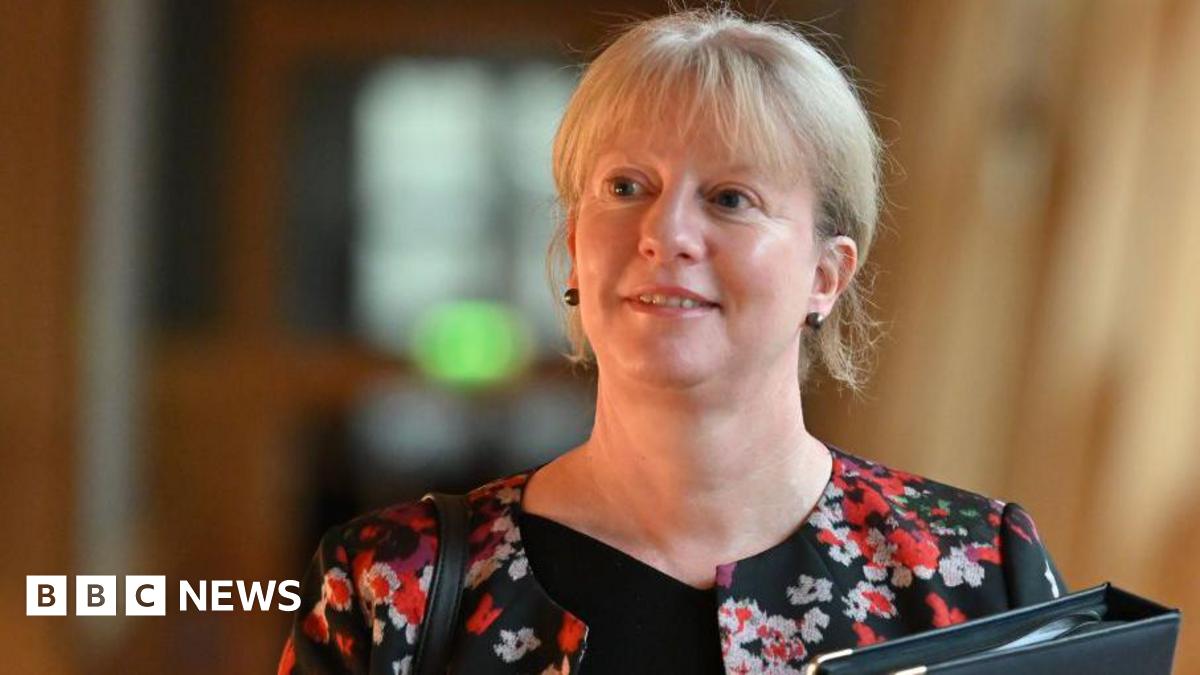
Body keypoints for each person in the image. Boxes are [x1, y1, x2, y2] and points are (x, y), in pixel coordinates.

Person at [278, 8, 1065, 674]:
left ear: (826, 275)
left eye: (729, 197)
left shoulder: (981, 576)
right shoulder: (387, 583)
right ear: (576, 243)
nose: (666, 233)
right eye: (627, 188)